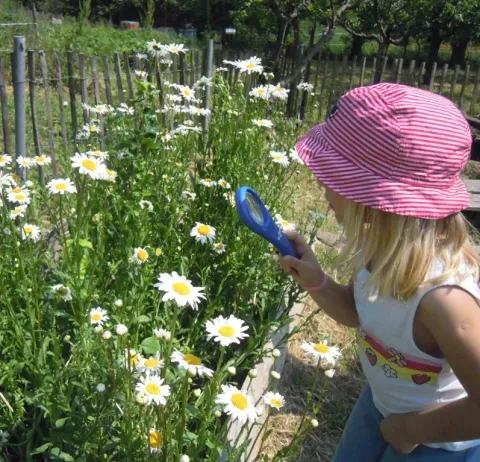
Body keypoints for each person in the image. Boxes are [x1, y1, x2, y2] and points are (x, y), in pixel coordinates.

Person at [278, 83, 480, 461]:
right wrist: (317, 281)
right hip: (381, 403)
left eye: (334, 176)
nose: (321, 183)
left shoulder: (446, 302)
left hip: (440, 438)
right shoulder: (379, 252)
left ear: (377, 202)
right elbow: (359, 313)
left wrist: (408, 429)